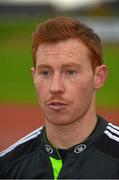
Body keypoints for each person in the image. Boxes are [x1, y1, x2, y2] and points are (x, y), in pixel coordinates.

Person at [0, 16, 119, 179]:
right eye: (45, 73)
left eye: (70, 72)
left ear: (98, 77)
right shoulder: (7, 167)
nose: (55, 87)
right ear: (34, 76)